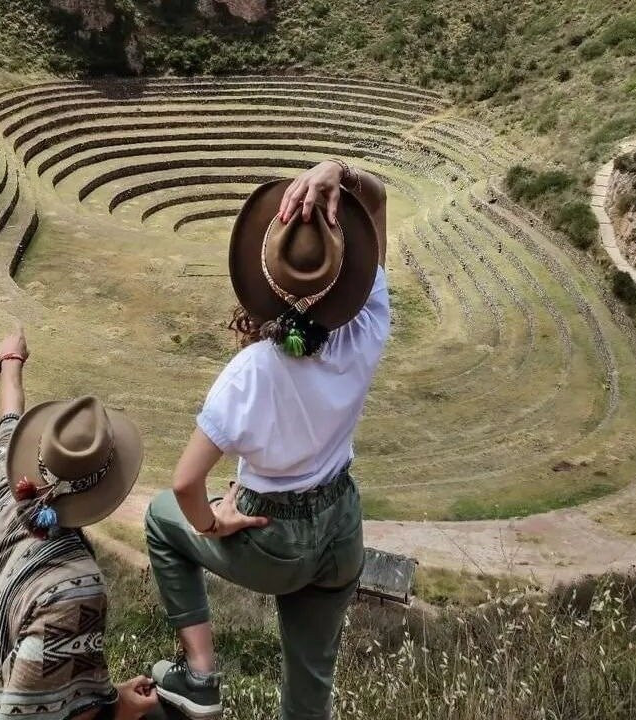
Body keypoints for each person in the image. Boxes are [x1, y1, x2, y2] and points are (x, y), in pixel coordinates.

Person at [144, 159, 389, 720]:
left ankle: (199, 674)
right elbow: (377, 204)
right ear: (346, 274)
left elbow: (185, 484)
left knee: (161, 518)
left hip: (270, 537)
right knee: (311, 685)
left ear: (261, 279)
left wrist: (212, 523)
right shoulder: (367, 328)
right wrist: (340, 172)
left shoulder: (251, 372)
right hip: (341, 528)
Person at [0, 328, 159, 720]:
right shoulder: (74, 587)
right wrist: (118, 707)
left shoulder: (3, 490)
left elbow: (8, 417)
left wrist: (11, 361)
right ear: (106, 488)